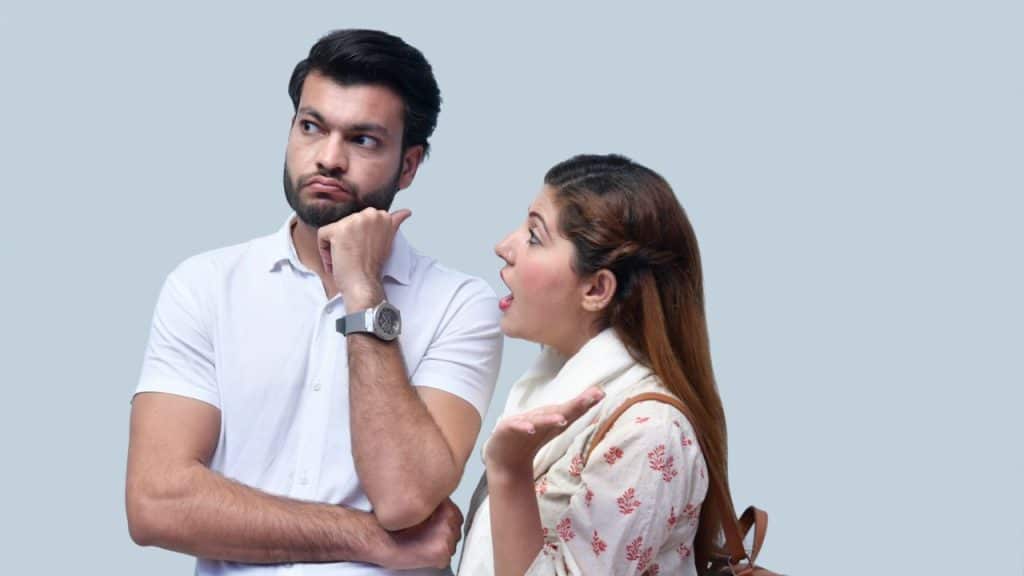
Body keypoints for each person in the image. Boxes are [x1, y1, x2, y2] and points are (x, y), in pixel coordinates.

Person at [126, 29, 503, 575]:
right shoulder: (204, 285)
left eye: (364, 140)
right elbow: (156, 502)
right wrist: (369, 540)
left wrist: (364, 291)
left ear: (409, 166)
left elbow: (404, 496)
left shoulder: (461, 305)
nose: (328, 159)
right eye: (311, 127)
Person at [459, 154, 737, 575]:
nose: (505, 247)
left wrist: (510, 472)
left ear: (596, 288)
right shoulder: (550, 388)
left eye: (534, 236)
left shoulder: (648, 430)